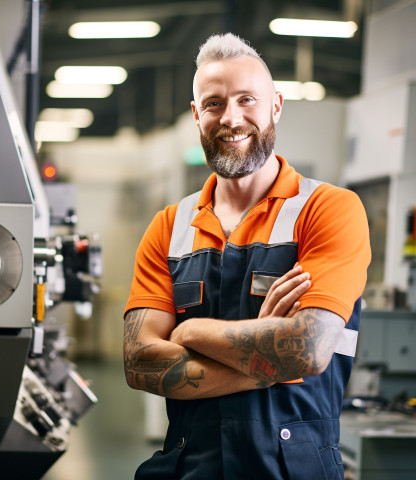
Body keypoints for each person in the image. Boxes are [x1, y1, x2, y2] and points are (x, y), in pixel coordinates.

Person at [123, 32, 370, 480]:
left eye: (246, 100)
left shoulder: (328, 210)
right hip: (188, 469)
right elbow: (139, 363)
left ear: (276, 104)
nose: (231, 118)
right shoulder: (170, 226)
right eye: (214, 103)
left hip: (292, 471)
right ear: (197, 115)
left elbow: (308, 350)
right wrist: (270, 353)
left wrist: (191, 330)